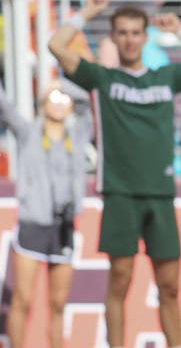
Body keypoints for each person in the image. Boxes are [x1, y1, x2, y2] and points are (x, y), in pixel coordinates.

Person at [48, 0, 181, 348]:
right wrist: (87, 13)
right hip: (120, 193)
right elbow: (55, 45)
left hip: (161, 193)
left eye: (136, 32)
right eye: (123, 32)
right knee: (120, 280)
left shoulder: (166, 76)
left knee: (169, 286)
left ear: (145, 36)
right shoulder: (99, 78)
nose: (130, 39)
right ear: (114, 38)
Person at [2, 79, 92, 348]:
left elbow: (88, 101)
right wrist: (49, 90)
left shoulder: (77, 135)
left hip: (63, 226)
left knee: (58, 303)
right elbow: (4, 107)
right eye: (52, 98)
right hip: (33, 224)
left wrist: (60, 84)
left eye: (63, 99)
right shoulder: (29, 132)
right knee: (23, 299)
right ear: (41, 103)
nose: (58, 102)